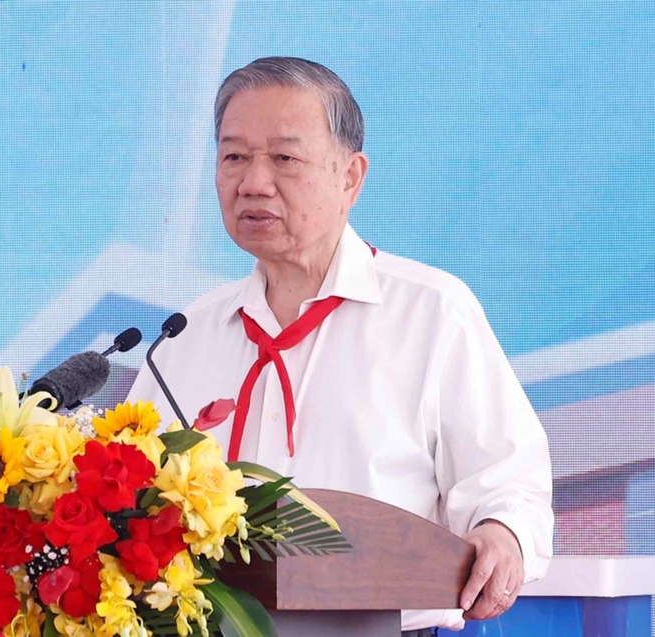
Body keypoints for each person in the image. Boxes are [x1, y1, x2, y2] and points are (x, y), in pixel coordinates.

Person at [127, 56, 553, 634]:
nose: (253, 182)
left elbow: (508, 480)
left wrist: (503, 534)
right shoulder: (184, 336)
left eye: (284, 158)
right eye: (234, 157)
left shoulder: (431, 313)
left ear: (350, 177)